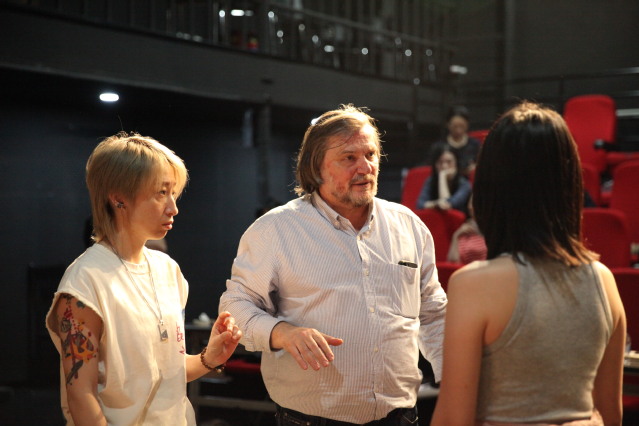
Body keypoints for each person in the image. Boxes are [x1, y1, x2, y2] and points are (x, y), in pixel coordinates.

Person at [219, 104, 447, 425]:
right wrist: (282, 333)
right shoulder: (275, 230)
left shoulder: (408, 225)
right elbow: (235, 307)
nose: (365, 167)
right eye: (349, 158)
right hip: (311, 418)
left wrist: (453, 381)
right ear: (316, 168)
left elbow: (433, 312)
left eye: (371, 154)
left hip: (401, 416)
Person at [431, 102, 626, 425]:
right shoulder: (604, 280)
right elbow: (610, 416)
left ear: (490, 187)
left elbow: (453, 419)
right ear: (569, 184)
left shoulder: (473, 284)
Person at [46, 132, 242, 425]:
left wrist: (208, 358)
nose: (173, 207)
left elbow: (164, 372)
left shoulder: (168, 270)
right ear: (119, 198)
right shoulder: (85, 282)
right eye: (161, 193)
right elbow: (81, 395)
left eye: (173, 193)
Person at [416, 142, 472, 216]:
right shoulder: (430, 181)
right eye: (440, 162)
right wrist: (436, 204)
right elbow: (420, 204)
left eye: (449, 162)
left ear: (456, 163)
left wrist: (442, 176)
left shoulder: (465, 184)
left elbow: (446, 205)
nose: (444, 166)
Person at [439, 105, 481, 176]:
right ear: (448, 125)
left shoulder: (475, 145)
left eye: (462, 126)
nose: (458, 130)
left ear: (467, 124)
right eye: (455, 126)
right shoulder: (440, 146)